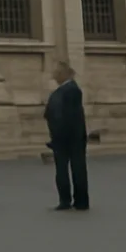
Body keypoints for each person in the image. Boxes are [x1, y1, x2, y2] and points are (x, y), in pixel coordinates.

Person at [45, 61, 89, 211]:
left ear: (64, 74)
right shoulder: (64, 90)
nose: (54, 75)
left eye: (57, 72)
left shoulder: (71, 90)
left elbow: (69, 116)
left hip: (69, 137)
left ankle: (76, 200)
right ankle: (70, 199)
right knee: (66, 169)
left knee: (75, 168)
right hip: (65, 136)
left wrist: (59, 135)